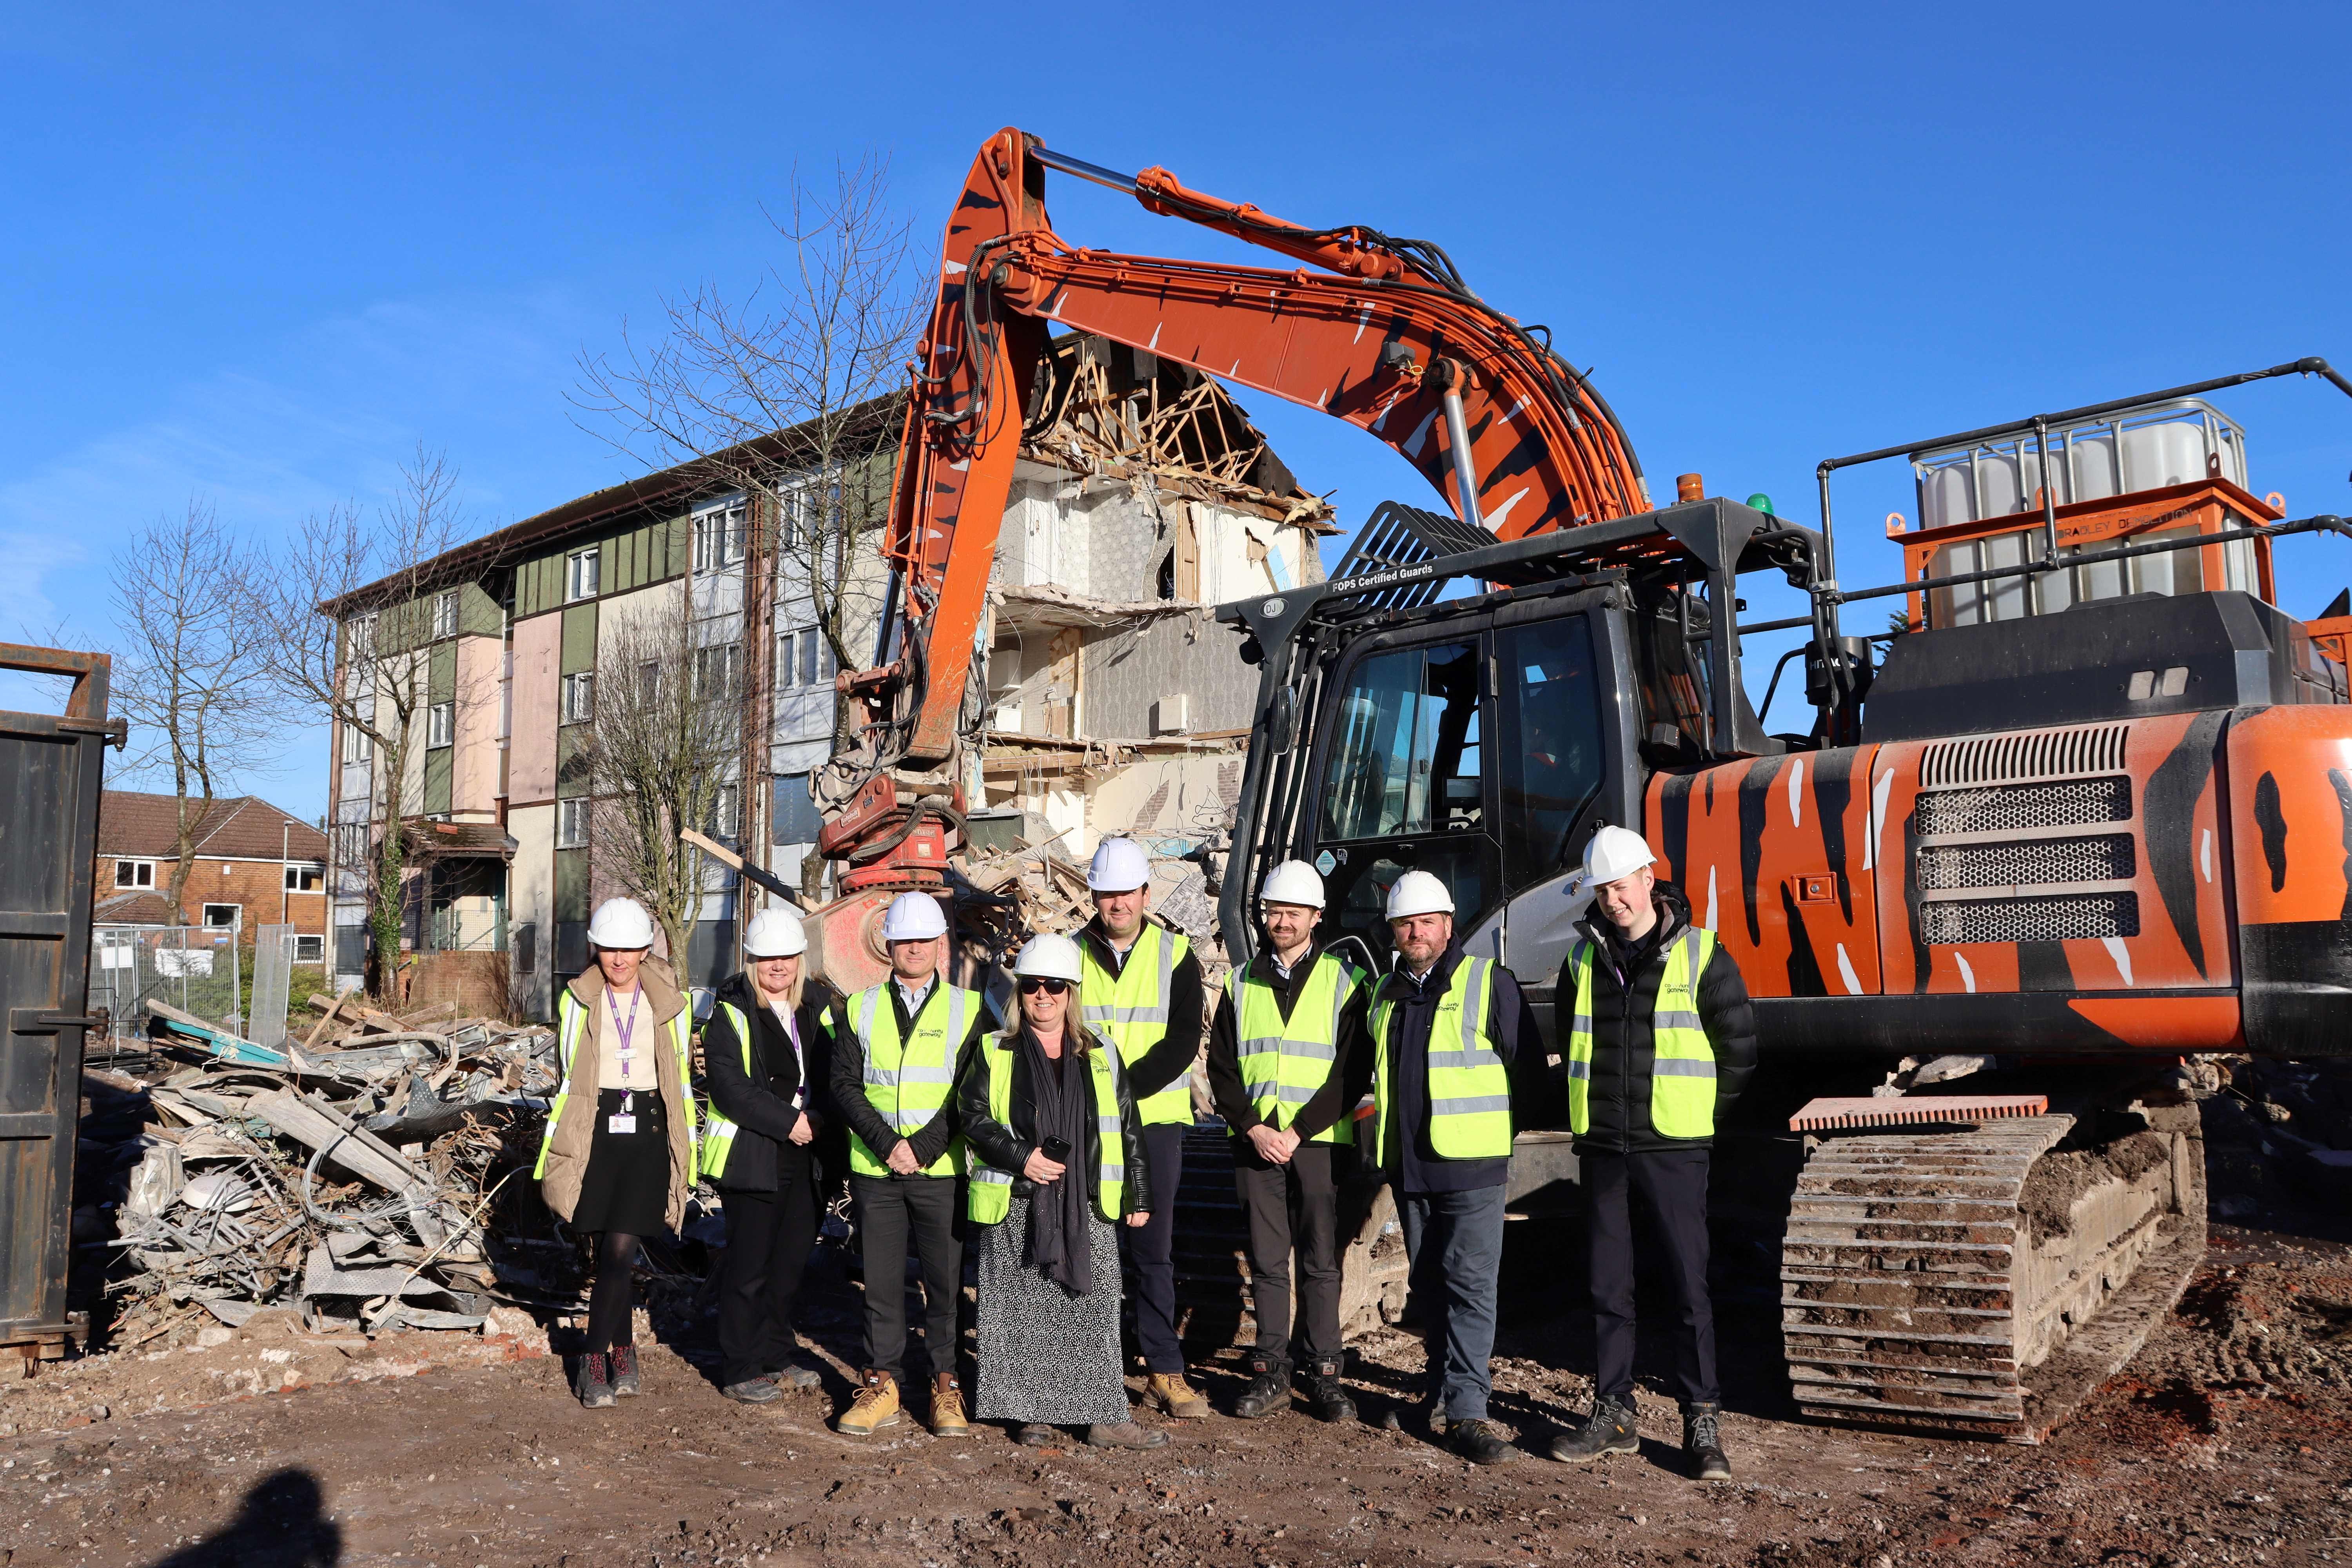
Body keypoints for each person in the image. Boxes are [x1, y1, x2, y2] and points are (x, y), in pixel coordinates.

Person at [1547, 826, 1755, 1482]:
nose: (1615, 900)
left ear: (1649, 879)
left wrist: (1698, 1121)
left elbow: (1740, 1051)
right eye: (1604, 890)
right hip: (1605, 1146)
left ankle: (1701, 1419)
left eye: (1623, 885)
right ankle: (1614, 1410)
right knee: (1609, 1285)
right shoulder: (1581, 963)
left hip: (1675, 1146)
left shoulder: (1700, 955)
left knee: (1689, 1285)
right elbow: (1570, 1042)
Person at [1347, 868, 1554, 1465]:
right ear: (1394, 931)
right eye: (1406, 924)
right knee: (1430, 1284)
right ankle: (1438, 1395)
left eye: (1427, 922)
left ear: (1448, 925)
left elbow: (1530, 1076)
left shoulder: (1488, 983)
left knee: (1469, 1285)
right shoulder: (1387, 994)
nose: (1416, 932)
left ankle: (1468, 1411)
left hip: (1471, 1169)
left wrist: (1493, 1139)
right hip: (1411, 1169)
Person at [958, 934, 1167, 1450]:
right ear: (1020, 992)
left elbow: (1128, 1125)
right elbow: (972, 1118)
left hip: (1087, 1200)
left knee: (1090, 1311)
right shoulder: (994, 1049)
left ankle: (1103, 1416)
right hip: (1019, 1198)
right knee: (1024, 1311)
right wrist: (1021, 1156)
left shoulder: (1101, 1051)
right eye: (1033, 987)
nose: (1044, 996)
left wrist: (1139, 1194)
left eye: (1055, 986)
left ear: (1072, 992)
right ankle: (1031, 1413)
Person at [1205, 859, 1367, 1423]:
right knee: (1268, 1262)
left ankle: (1324, 1373)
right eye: (1274, 911)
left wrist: (1297, 1132)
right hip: (1256, 1141)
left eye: (1293, 913)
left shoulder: (1345, 983)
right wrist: (1253, 1126)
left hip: (1317, 1144)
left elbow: (1352, 1071)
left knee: (1321, 1262)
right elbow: (1222, 1067)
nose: (1281, 921)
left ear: (1316, 918)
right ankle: (1271, 1371)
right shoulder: (1240, 980)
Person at [824, 890, 989, 1437]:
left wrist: (921, 1148)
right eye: (904, 939)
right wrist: (888, 1143)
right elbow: (844, 1084)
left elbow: (973, 1092)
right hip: (877, 1170)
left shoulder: (969, 1009)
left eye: (924, 938)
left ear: (940, 944)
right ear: (887, 944)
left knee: (945, 1287)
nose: (914, 948)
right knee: (882, 1285)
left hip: (940, 1172)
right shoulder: (860, 1006)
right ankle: (883, 1385)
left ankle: (946, 1385)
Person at [532, 898, 697, 1409]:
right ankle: (624, 1351)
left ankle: (592, 1355)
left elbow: (681, 1076)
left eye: (629, 949)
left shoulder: (672, 1001)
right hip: (596, 1131)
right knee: (608, 1252)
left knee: (623, 1250)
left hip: (647, 1130)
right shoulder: (577, 1000)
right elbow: (567, 1075)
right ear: (596, 950)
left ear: (647, 950)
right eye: (609, 949)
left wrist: (683, 1149)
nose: (619, 959)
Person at [1074, 837, 1209, 1421]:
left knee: (1152, 1250)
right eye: (1107, 894)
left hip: (1153, 1122)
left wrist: (1125, 1087)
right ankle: (1092, 1367)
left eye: (1126, 892)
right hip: (1084, 1122)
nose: (1117, 904)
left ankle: (1164, 1370)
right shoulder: (1067, 954)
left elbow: (1182, 1040)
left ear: (1145, 895)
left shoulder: (1176, 955)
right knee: (1089, 1249)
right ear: (1095, 897)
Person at [701, 907, 834, 1403]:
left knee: (789, 1264)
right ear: (751, 960)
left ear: (800, 959)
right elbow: (730, 1087)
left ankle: (777, 1351)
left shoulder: (816, 1005)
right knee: (749, 1266)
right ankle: (740, 1366)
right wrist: (789, 1122)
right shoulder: (732, 1011)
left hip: (807, 1155)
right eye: (767, 958)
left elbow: (832, 1070)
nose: (778, 966)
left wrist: (818, 1117)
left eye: (787, 957)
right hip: (755, 1154)